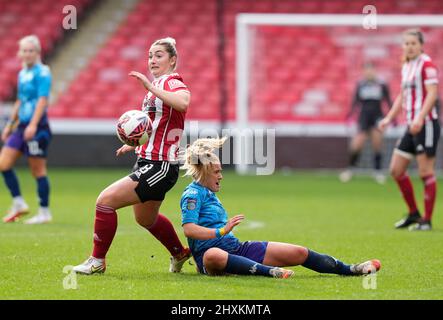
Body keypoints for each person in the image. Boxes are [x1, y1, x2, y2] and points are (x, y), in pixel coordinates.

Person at [180, 137, 381, 278]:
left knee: (299, 252)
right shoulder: (192, 195)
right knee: (213, 255)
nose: (221, 176)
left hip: (237, 249)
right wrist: (221, 231)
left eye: (220, 171)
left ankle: (351, 269)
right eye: (216, 172)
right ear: (204, 171)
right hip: (209, 259)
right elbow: (189, 229)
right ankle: (269, 272)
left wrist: (225, 234)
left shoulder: (208, 192)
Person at [73, 37, 191, 274]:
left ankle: (97, 261)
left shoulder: (171, 82)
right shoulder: (158, 87)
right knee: (145, 219)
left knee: (105, 202)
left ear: (173, 60)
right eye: (150, 55)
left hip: (161, 165)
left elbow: (183, 103)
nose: (152, 60)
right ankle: (180, 253)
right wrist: (135, 142)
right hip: (148, 159)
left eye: (159, 55)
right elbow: (158, 125)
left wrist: (150, 86)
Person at [378, 29, 440, 231]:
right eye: (407, 44)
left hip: (426, 125)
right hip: (411, 126)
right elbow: (402, 96)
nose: (410, 47)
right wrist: (389, 117)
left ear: (421, 45)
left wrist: (421, 118)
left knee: (425, 172)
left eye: (413, 43)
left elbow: (432, 94)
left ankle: (427, 220)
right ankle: (414, 213)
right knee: (396, 170)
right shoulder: (407, 66)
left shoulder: (426, 64)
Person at [1, 35, 53, 224]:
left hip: (37, 127)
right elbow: (20, 100)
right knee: (3, 164)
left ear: (37, 53)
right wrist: (10, 124)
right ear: (20, 53)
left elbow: (42, 100)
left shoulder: (43, 72)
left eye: (31, 50)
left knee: (37, 170)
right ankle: (18, 203)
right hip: (21, 126)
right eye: (24, 50)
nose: (27, 53)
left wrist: (32, 124)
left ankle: (45, 212)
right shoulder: (22, 74)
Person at [340, 62, 392, 184]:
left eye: (371, 70)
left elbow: (388, 101)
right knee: (357, 143)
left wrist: (391, 117)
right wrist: (350, 114)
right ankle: (351, 169)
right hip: (364, 117)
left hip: (377, 116)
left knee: (377, 143)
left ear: (375, 70)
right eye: (366, 70)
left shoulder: (381, 84)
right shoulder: (360, 84)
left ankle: (378, 171)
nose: (368, 72)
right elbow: (355, 101)